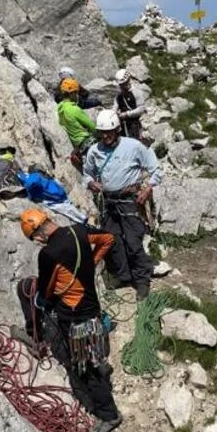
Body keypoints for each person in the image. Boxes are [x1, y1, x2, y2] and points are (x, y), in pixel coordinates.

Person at [12, 208, 122, 432]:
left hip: (75, 320)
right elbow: (108, 238)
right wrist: (91, 264)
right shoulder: (79, 230)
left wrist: (47, 299)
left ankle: (109, 414)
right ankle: (95, 360)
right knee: (89, 360)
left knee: (83, 369)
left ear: (38, 236)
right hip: (91, 309)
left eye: (35, 240)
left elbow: (46, 291)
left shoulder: (49, 254)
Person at [83, 110, 162, 300]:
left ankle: (142, 281)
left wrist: (147, 189)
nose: (105, 136)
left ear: (118, 129)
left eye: (109, 132)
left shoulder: (134, 146)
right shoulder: (94, 150)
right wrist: (90, 183)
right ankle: (123, 276)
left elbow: (155, 168)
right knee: (113, 240)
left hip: (129, 201)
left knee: (134, 242)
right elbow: (86, 174)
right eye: (102, 132)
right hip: (109, 202)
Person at [57, 78, 97, 171]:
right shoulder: (74, 109)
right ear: (71, 94)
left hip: (77, 146)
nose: (77, 96)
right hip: (87, 141)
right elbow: (92, 127)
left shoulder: (60, 108)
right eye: (76, 93)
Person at [113, 69, 146, 141]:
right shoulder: (119, 95)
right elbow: (115, 106)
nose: (123, 86)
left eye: (124, 83)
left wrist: (126, 114)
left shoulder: (137, 92)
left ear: (128, 80)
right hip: (122, 124)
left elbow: (141, 109)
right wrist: (115, 113)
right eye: (121, 85)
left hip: (135, 124)